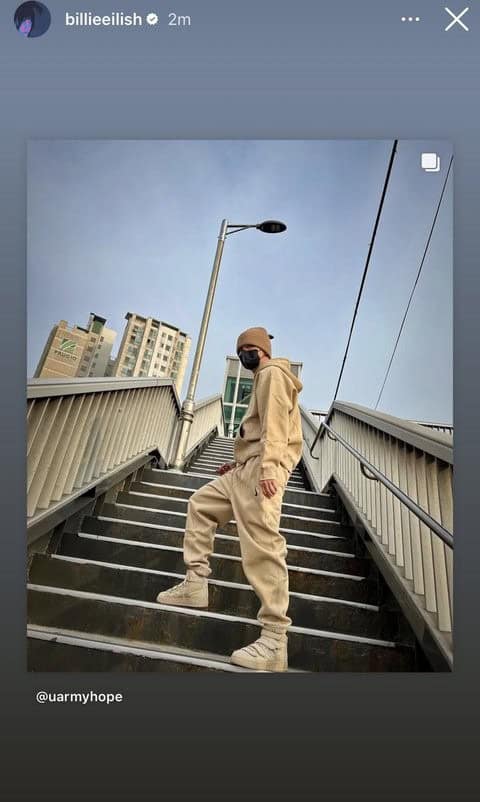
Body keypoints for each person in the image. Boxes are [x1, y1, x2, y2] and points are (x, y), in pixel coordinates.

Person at [156, 326, 303, 671]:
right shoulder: (262, 378)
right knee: (201, 505)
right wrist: (237, 463)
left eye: (249, 349)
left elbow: (276, 428)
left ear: (263, 351)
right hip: (244, 470)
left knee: (263, 548)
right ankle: (195, 584)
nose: (244, 355)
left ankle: (274, 640)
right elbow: (257, 431)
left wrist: (268, 468)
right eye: (240, 350)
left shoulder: (272, 374)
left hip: (261, 471)